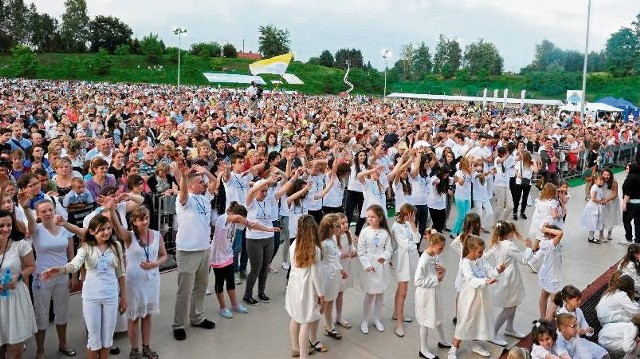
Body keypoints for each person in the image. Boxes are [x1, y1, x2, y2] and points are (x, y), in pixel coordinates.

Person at [41, 215, 126, 359]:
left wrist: (124, 297)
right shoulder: (85, 247)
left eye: (108, 228)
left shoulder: (116, 246)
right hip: (91, 297)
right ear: (92, 232)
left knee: (107, 338)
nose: (106, 232)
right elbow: (75, 265)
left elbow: (121, 272)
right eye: (101, 230)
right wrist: (60, 269)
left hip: (111, 296)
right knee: (94, 340)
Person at [108, 204, 167, 359]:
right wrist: (111, 210)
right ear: (134, 221)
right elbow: (116, 226)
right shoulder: (129, 236)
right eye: (140, 219)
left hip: (152, 280)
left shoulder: (157, 235)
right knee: (133, 317)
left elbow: (163, 255)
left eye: (146, 218)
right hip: (133, 283)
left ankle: (146, 346)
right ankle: (134, 349)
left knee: (147, 315)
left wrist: (155, 263)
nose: (144, 221)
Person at [22, 199, 77, 359]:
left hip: (62, 275)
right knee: (41, 312)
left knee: (62, 310)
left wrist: (73, 275)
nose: (47, 213)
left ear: (55, 210)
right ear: (38, 214)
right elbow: (31, 225)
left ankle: (63, 343)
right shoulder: (36, 229)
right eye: (43, 211)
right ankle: (40, 350)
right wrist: (26, 208)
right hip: (42, 277)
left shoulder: (64, 227)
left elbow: (71, 254)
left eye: (50, 210)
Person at [172, 162, 218, 341]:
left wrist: (205, 172)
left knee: (200, 286)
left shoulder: (205, 196)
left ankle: (197, 317)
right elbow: (183, 193)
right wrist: (184, 176)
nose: (204, 184)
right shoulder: (184, 199)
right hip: (187, 251)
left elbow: (215, 183)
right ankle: (178, 324)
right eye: (200, 182)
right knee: (184, 290)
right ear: (191, 186)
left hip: (204, 248)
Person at [210, 201, 275, 318]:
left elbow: (253, 224)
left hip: (228, 255)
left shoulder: (237, 222)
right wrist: (243, 220)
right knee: (220, 282)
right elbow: (238, 217)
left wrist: (268, 229)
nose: (242, 224)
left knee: (230, 281)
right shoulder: (223, 219)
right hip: (217, 257)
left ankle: (234, 304)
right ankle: (222, 307)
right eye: (241, 221)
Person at [448, 235, 506, 359]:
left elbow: (491, 271)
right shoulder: (465, 263)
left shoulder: (480, 260)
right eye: (480, 251)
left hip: (481, 297)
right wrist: (486, 281)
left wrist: (498, 271)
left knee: (478, 320)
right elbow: (471, 280)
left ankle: (474, 344)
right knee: (465, 321)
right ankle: (453, 348)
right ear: (471, 250)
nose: (482, 253)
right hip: (469, 298)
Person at [242, 173, 291, 306]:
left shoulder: (269, 200)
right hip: (254, 239)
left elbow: (284, 189)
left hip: (268, 238)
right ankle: (247, 295)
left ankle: (261, 292)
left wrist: (296, 176)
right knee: (255, 268)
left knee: (265, 267)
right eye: (262, 191)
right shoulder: (250, 202)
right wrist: (267, 180)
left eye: (266, 191)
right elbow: (252, 190)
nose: (265, 193)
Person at [484, 221, 532, 346]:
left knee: (513, 303)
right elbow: (524, 260)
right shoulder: (509, 245)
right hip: (509, 279)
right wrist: (529, 248)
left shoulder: (497, 243)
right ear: (509, 233)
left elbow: (484, 257)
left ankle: (509, 328)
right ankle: (492, 332)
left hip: (504, 277)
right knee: (509, 308)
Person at [285, 215, 325, 358]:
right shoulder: (315, 249)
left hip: (294, 286)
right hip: (307, 289)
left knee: (295, 317)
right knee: (306, 322)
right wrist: (321, 294)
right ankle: (303, 355)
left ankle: (295, 347)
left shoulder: (294, 244)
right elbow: (315, 275)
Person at [0, 209, 36, 359]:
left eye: (9, 225)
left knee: (16, 350)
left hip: (15, 298)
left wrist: (18, 276)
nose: (6, 229)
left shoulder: (20, 244)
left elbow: (31, 266)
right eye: (1, 226)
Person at [357, 204, 393, 335]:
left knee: (380, 294)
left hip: (381, 267)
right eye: (368, 217)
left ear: (380, 218)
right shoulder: (365, 231)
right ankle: (365, 320)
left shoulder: (385, 233)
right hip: (370, 266)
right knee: (370, 294)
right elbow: (361, 250)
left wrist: (384, 257)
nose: (370, 219)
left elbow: (389, 249)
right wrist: (367, 265)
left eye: (373, 217)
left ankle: (377, 319)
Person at [414, 232, 450, 359]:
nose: (442, 250)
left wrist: (443, 272)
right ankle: (423, 349)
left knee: (438, 315)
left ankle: (442, 340)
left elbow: (440, 274)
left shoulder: (436, 255)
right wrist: (436, 279)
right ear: (432, 244)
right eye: (440, 248)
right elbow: (417, 281)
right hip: (425, 295)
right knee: (425, 320)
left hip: (435, 292)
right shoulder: (423, 260)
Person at [390, 203, 420, 337]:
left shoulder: (409, 223)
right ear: (407, 214)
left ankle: (396, 314)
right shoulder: (396, 226)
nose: (413, 217)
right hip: (402, 261)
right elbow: (405, 244)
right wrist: (413, 242)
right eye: (412, 215)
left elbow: (417, 239)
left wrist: (413, 225)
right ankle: (399, 325)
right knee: (403, 292)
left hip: (411, 259)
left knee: (402, 288)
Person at [596, 272, 640, 358]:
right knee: (636, 345)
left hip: (606, 325)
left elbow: (632, 305)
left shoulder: (613, 291)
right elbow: (635, 310)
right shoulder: (622, 295)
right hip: (608, 321)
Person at [317, 214, 347, 342]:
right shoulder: (322, 244)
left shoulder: (333, 238)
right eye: (337, 226)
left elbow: (334, 257)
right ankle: (311, 327)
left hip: (333, 275)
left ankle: (329, 326)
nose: (340, 228)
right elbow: (319, 262)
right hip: (325, 275)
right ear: (329, 228)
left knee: (330, 301)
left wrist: (340, 269)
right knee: (322, 304)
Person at [528, 224, 564, 321]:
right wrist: (546, 229)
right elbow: (560, 233)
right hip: (552, 276)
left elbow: (539, 253)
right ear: (552, 235)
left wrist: (532, 261)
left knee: (544, 296)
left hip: (547, 274)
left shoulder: (546, 243)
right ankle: (549, 320)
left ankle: (542, 317)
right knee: (555, 301)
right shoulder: (548, 244)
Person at [334, 212, 356, 330]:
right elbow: (332, 253)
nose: (346, 225)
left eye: (346, 222)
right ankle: (328, 319)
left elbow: (351, 245)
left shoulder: (348, 233)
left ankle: (338, 316)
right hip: (337, 269)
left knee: (340, 293)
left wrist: (353, 251)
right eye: (342, 223)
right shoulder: (333, 237)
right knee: (332, 295)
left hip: (345, 267)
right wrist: (340, 254)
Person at [580, 172, 605, 243]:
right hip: (593, 207)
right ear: (595, 180)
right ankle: (590, 238)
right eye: (600, 180)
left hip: (596, 206)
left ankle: (591, 236)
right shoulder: (594, 188)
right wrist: (601, 202)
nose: (602, 181)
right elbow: (593, 199)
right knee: (593, 222)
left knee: (595, 221)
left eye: (602, 180)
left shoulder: (598, 187)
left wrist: (602, 200)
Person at [601, 168, 622, 242]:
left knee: (611, 216)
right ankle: (601, 234)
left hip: (612, 201)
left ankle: (609, 233)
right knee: (602, 216)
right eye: (604, 174)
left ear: (611, 176)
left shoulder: (614, 182)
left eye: (608, 175)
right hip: (602, 200)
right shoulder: (599, 180)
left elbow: (615, 194)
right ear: (602, 174)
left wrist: (607, 199)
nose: (606, 176)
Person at [622, 162, 640, 244]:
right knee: (638, 223)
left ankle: (629, 239)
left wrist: (624, 203)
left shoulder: (630, 177)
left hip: (631, 203)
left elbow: (628, 192)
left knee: (626, 220)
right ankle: (638, 241)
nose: (626, 170)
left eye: (628, 168)